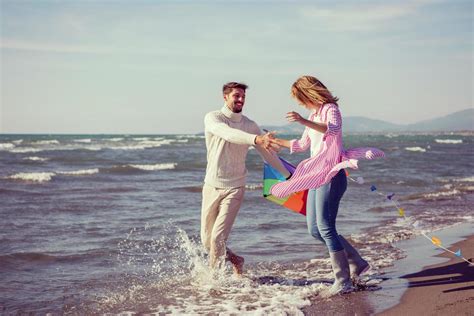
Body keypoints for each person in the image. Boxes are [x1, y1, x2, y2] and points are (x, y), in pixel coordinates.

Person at [268, 75, 384, 295]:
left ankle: (343, 280)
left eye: (300, 98)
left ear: (308, 93)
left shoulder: (331, 109)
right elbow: (302, 145)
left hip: (331, 175)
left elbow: (331, 129)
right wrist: (273, 142)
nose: (300, 103)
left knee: (325, 227)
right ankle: (357, 262)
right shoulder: (313, 114)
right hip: (315, 176)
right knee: (314, 230)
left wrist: (303, 120)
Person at [201, 82, 290, 276]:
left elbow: (267, 154)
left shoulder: (250, 125)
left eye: (243, 96)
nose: (241, 100)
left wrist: (289, 176)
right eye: (236, 96)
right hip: (211, 186)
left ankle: (212, 283)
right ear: (225, 97)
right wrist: (256, 139)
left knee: (217, 238)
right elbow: (227, 133)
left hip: (235, 187)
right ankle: (236, 260)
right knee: (207, 241)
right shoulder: (213, 118)